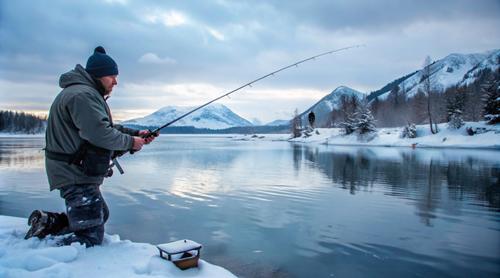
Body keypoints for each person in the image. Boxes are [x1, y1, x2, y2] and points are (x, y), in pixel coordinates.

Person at [24, 46, 158, 247]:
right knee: (91, 235)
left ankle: (47, 223)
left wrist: (135, 135)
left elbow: (104, 127)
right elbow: (99, 134)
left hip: (74, 169)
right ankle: (48, 253)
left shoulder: (85, 92)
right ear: (98, 75)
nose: (115, 81)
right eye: (111, 76)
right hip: (72, 172)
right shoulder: (83, 95)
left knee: (99, 214)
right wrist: (131, 143)